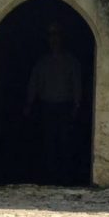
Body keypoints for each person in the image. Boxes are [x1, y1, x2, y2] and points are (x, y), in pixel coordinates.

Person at [23, 23, 85, 182]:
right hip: (47, 107)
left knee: (65, 142)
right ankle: (48, 175)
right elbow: (34, 84)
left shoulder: (71, 62)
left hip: (65, 107)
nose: (54, 39)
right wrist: (29, 104)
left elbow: (76, 84)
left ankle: (65, 176)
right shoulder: (42, 62)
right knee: (48, 142)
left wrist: (77, 106)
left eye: (56, 35)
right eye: (51, 36)